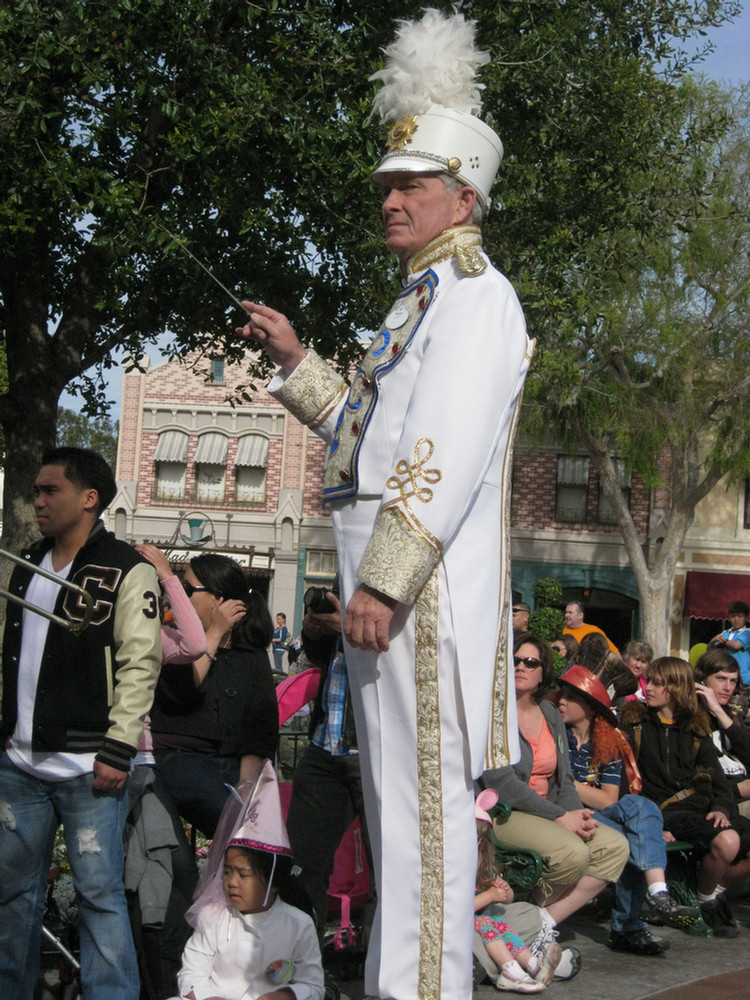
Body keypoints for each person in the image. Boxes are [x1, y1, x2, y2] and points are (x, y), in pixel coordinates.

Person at [237, 11, 532, 1000]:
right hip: (394, 597)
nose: (389, 195)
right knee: (396, 813)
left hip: (420, 595)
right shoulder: (424, 300)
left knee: (427, 820)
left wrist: (388, 576)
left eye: (410, 182)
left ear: (466, 194)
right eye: (388, 181)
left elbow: (437, 451)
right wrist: (298, 366)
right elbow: (371, 439)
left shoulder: (478, 296)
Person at [0, 446, 162, 1000]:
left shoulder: (127, 569)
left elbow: (141, 661)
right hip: (20, 759)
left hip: (90, 764)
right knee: (12, 896)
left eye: (50, 490)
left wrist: (119, 750)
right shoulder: (27, 563)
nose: (37, 499)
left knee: (99, 897)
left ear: (89, 499)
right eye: (37, 490)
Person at [481, 635, 630, 954]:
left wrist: (578, 816)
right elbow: (502, 783)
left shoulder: (550, 713)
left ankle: (540, 924)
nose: (521, 666)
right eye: (516, 660)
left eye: (530, 662)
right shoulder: (493, 712)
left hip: (550, 811)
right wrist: (561, 818)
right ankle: (522, 926)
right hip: (507, 812)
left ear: (542, 671)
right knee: (573, 854)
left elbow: (564, 779)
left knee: (615, 846)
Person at [556, 665, 696, 955]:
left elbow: (608, 801)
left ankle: (658, 896)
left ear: (591, 707)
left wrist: (568, 783)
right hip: (562, 815)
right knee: (636, 836)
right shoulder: (555, 736)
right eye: (562, 695)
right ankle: (629, 925)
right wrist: (568, 786)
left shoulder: (607, 740)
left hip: (597, 816)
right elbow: (554, 788)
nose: (560, 701)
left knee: (640, 807)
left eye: (570, 697)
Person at [171, 760, 324, 1000]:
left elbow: (313, 984)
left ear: (273, 882)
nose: (232, 882)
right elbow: (191, 973)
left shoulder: (298, 924)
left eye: (243, 875)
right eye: (227, 871)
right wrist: (209, 997)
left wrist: (286, 994)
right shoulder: (212, 917)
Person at [151, 554, 279, 840]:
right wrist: (214, 633)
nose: (177, 598)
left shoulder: (250, 653)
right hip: (179, 761)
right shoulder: (172, 641)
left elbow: (260, 728)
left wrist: (246, 791)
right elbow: (180, 694)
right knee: (239, 833)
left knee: (257, 835)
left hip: (233, 767)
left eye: (188, 590)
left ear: (217, 599)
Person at [621, 656, 750, 937]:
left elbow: (717, 781)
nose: (648, 688)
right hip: (662, 813)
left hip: (698, 809)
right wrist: (655, 825)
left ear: (676, 689)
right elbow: (627, 785)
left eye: (657, 683)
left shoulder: (695, 728)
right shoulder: (636, 725)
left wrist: (720, 808)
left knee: (731, 831)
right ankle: (706, 902)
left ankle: (706, 890)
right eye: (649, 682)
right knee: (728, 841)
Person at [285, 585, 373, 939]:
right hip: (326, 745)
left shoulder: (394, 587)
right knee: (302, 866)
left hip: (374, 754)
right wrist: (314, 630)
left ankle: (382, 978)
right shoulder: (346, 581)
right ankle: (299, 968)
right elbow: (322, 657)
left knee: (389, 869)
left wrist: (346, 625)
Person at [474, 789, 560, 994]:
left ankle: (533, 965)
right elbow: (455, 909)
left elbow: (508, 899)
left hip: (486, 926)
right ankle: (511, 971)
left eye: (479, 846)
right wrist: (489, 896)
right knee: (487, 924)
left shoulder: (482, 871)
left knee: (505, 922)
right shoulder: (451, 871)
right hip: (462, 929)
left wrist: (503, 892)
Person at [694, 647, 750, 818]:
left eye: (733, 681)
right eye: (721, 679)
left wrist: (720, 713)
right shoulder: (691, 719)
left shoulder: (729, 716)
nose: (727, 687)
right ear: (702, 680)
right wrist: (737, 790)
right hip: (724, 802)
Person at [708, 601, 750, 684]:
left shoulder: (747, 633)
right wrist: (713, 640)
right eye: (733, 616)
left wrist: (724, 642)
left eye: (740, 616)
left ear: (746, 617)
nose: (736, 619)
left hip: (743, 679)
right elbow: (710, 650)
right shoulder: (726, 633)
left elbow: (737, 645)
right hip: (726, 677)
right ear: (729, 618)